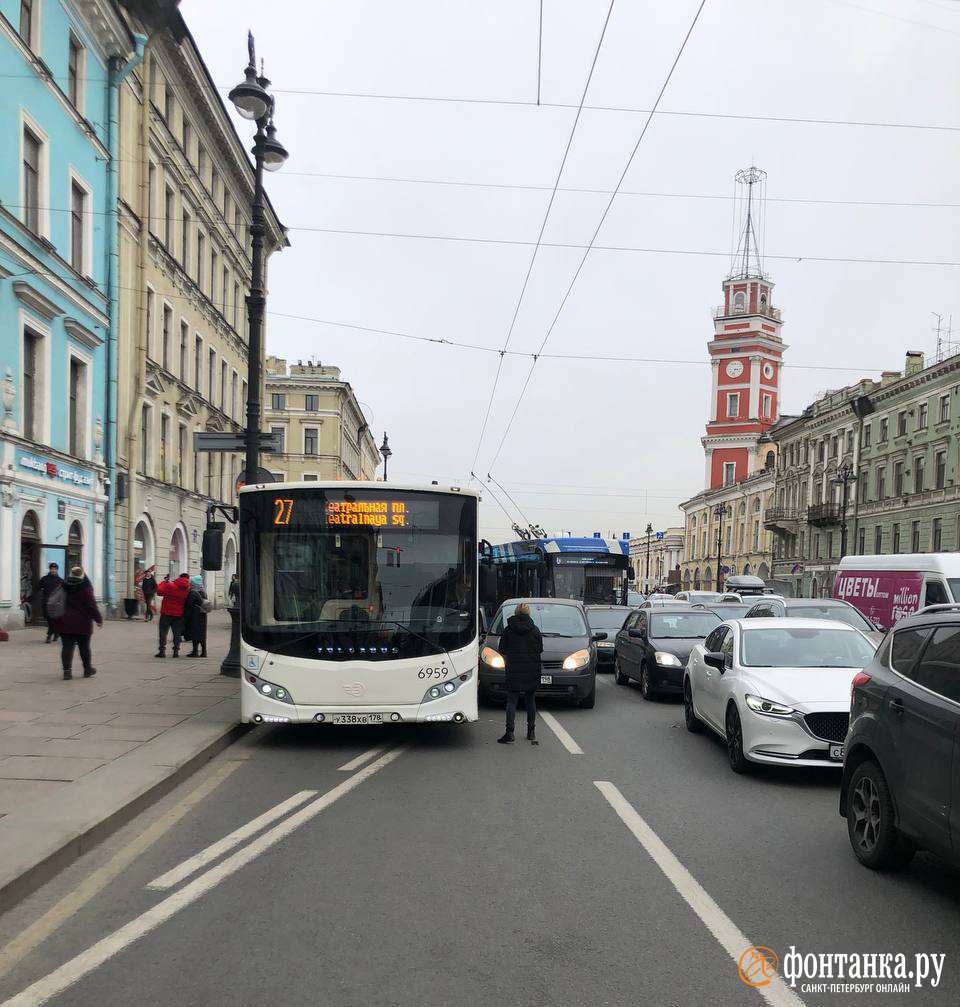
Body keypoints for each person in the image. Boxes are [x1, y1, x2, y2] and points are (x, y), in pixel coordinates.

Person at [497, 602, 544, 745]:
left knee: (512, 701)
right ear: (529, 614)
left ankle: (510, 733)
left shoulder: (508, 630)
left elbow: (502, 649)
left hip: (514, 669)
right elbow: (540, 649)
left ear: (516, 613)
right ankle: (531, 731)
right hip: (531, 670)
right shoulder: (535, 630)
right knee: (530, 700)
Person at [55, 566, 102, 680]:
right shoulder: (86, 588)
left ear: (70, 574)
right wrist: (98, 619)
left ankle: (67, 672)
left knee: (67, 647)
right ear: (82, 575)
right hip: (83, 623)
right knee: (84, 647)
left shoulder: (63, 586)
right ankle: (87, 670)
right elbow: (91, 605)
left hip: (65, 621)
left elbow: (56, 601)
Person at [155, 571, 190, 658]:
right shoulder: (187, 589)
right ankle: (176, 652)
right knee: (177, 633)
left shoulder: (171, 585)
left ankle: (162, 651)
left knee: (163, 632)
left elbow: (159, 591)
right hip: (178, 614)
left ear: (179, 577)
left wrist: (164, 582)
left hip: (166, 613)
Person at [183, 575, 210, 658]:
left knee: (195, 634)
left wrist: (185, 616)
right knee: (202, 634)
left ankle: (195, 651)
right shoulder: (203, 591)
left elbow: (189, 606)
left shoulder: (193, 592)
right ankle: (204, 652)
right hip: (202, 615)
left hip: (195, 616)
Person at [38, 562, 63, 643]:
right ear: (50, 569)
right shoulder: (44, 579)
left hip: (56, 604)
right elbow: (38, 587)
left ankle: (49, 635)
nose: (53, 570)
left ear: (57, 570)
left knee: (53, 619)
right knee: (49, 619)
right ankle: (56, 633)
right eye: (52, 569)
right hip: (46, 603)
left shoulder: (60, 581)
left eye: (55, 569)